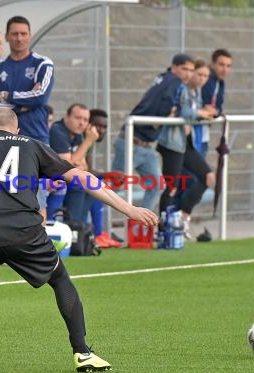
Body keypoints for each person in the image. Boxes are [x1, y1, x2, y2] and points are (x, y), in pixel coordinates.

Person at [0, 108, 159, 372]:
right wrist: (128, 209)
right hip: (25, 232)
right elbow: (81, 177)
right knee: (60, 280)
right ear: (17, 131)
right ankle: (82, 352)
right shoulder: (33, 145)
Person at [0, 15, 55, 221]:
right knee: (2, 194)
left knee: (37, 195)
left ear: (30, 36)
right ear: (7, 36)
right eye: (14, 34)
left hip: (35, 139)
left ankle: (40, 247)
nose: (19, 38)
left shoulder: (43, 64)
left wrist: (9, 96)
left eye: (23, 34)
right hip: (3, 139)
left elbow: (41, 96)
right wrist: (25, 103)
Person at [111, 53, 195, 211]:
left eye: (191, 70)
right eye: (185, 69)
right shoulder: (174, 81)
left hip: (146, 146)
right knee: (113, 188)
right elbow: (167, 105)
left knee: (157, 186)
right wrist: (163, 117)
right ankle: (97, 228)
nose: (188, 74)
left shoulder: (164, 78)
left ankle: (141, 228)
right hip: (131, 141)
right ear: (175, 67)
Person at [157, 58, 216, 238]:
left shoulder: (195, 92)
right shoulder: (180, 87)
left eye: (205, 76)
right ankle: (163, 230)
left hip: (186, 144)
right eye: (199, 74)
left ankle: (184, 216)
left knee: (208, 177)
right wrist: (201, 113)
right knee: (171, 187)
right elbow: (185, 113)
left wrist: (206, 113)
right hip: (172, 144)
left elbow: (193, 113)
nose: (201, 79)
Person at [48, 103, 98, 222]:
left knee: (93, 185)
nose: (81, 123)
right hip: (49, 179)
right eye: (78, 118)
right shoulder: (57, 131)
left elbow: (84, 167)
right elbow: (68, 167)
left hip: (64, 178)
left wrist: (75, 161)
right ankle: (72, 228)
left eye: (85, 120)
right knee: (78, 185)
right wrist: (89, 140)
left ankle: (81, 230)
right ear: (67, 117)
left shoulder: (77, 135)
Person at [85, 109, 122, 248]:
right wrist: (106, 175)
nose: (101, 130)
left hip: (73, 180)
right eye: (98, 125)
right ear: (89, 125)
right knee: (92, 186)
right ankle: (94, 234)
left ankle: (99, 234)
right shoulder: (85, 139)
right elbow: (82, 172)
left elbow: (87, 170)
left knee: (96, 185)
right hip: (58, 182)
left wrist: (106, 175)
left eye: (104, 127)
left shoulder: (90, 141)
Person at [193, 49, 232, 157]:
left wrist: (215, 111)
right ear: (213, 64)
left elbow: (218, 107)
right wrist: (204, 109)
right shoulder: (206, 79)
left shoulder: (220, 82)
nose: (225, 69)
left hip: (203, 132)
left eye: (228, 66)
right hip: (191, 132)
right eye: (221, 65)